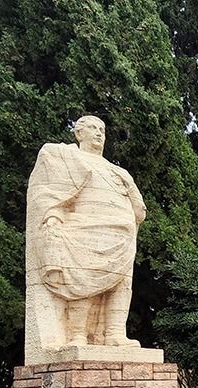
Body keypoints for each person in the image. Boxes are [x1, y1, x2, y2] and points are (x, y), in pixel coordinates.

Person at [24, 115, 146, 357]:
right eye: (92, 128)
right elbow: (51, 194)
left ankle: (115, 333)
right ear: (79, 133)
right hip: (82, 228)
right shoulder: (67, 158)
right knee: (85, 278)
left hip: (122, 235)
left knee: (121, 283)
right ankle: (77, 334)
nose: (99, 133)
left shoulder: (118, 171)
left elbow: (139, 209)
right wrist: (53, 216)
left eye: (102, 129)